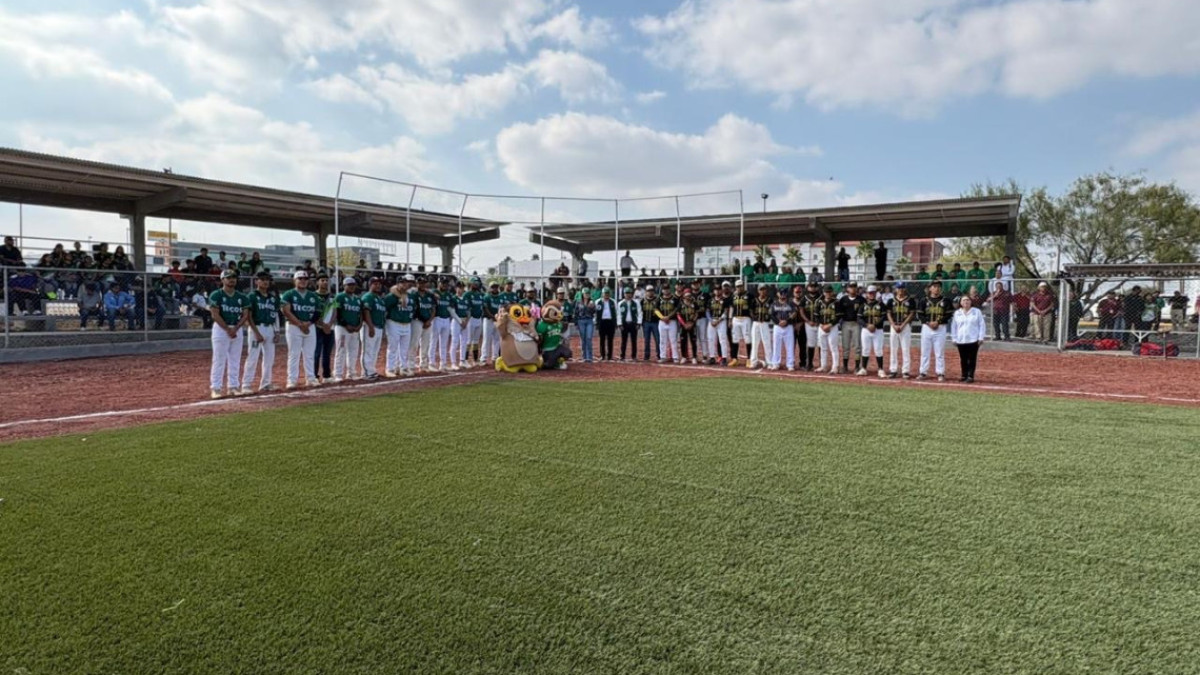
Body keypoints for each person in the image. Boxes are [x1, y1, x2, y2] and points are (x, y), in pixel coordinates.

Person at [208, 269, 251, 399]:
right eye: (228, 278)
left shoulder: (241, 296)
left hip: (236, 328)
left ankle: (233, 386)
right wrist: (227, 329)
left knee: (235, 359)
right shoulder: (217, 295)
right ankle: (216, 388)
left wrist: (236, 327)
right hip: (221, 329)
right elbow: (215, 314)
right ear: (222, 280)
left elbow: (245, 314)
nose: (232, 280)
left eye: (233, 277)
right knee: (219, 359)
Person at [242, 271, 279, 394]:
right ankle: (246, 384)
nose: (265, 281)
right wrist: (256, 332)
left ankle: (266, 383)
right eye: (262, 279)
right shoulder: (252, 296)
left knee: (269, 358)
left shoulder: (272, 298)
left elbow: (275, 315)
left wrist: (277, 331)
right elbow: (249, 316)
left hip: (270, 328)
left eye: (267, 279)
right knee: (252, 357)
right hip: (257, 327)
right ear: (256, 281)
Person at [281, 271, 320, 389]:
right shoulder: (289, 294)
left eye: (305, 278)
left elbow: (318, 312)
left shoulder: (313, 296)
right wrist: (300, 324)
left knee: (309, 354)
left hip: (309, 326)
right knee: (294, 354)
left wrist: (308, 323)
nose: (303, 280)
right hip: (294, 326)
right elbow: (286, 311)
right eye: (300, 278)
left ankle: (311, 378)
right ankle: (292, 380)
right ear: (295, 280)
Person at [918, 280, 954, 382]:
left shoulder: (946, 300)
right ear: (930, 288)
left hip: (941, 328)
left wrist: (938, 322)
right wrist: (929, 323)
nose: (936, 288)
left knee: (939, 352)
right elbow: (920, 314)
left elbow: (948, 314)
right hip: (926, 327)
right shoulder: (924, 300)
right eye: (934, 286)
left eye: (938, 286)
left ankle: (940, 372)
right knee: (925, 351)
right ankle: (923, 372)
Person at [332, 277, 365, 383]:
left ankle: (351, 372)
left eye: (353, 285)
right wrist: (346, 325)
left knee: (353, 351)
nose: (352, 287)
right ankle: (338, 373)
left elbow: (360, 314)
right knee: (341, 350)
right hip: (342, 328)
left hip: (355, 329)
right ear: (344, 286)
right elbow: (336, 312)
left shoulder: (357, 299)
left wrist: (359, 325)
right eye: (349, 285)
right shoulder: (339, 297)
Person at [383, 279, 416, 377]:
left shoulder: (410, 296)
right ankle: (390, 369)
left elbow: (413, 308)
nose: (404, 285)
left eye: (406, 283)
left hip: (407, 323)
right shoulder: (391, 296)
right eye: (402, 283)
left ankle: (403, 368)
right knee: (392, 347)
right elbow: (385, 308)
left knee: (404, 348)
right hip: (393, 322)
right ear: (397, 284)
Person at [950, 294, 986, 383]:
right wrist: (954, 338)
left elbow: (982, 325)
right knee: (963, 359)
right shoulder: (957, 313)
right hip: (961, 340)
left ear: (971, 302)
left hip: (973, 339)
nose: (966, 302)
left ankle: (970, 376)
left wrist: (981, 337)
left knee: (972, 358)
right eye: (964, 300)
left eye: (968, 300)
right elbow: (954, 327)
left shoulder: (976, 312)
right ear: (961, 303)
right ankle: (964, 375)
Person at [359, 277, 387, 380]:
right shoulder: (368, 297)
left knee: (375, 351)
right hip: (369, 326)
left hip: (378, 327)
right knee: (368, 350)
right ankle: (366, 373)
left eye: (379, 284)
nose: (378, 285)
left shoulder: (379, 299)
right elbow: (366, 312)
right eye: (375, 283)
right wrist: (370, 327)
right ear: (370, 285)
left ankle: (372, 370)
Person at [858, 285, 888, 378]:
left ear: (876, 294)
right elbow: (859, 318)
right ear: (866, 294)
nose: (871, 294)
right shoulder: (863, 305)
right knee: (865, 349)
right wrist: (867, 325)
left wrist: (874, 325)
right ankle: (863, 368)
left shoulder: (881, 304)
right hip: (865, 330)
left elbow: (884, 317)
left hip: (878, 330)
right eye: (870, 293)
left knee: (878, 350)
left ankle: (880, 369)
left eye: (873, 293)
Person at [312, 273, 335, 384]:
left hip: (329, 328)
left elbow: (335, 311)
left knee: (327, 352)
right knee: (316, 352)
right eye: (322, 280)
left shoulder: (332, 296)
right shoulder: (313, 296)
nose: (325, 282)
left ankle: (326, 375)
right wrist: (322, 324)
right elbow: (313, 313)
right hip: (317, 327)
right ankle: (314, 376)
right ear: (317, 282)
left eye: (326, 280)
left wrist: (329, 324)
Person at [410, 276, 436, 371]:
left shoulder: (430, 295)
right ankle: (411, 365)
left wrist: (429, 321)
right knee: (414, 343)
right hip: (417, 321)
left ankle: (424, 365)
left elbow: (433, 309)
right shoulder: (414, 294)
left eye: (424, 283)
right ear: (417, 284)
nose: (422, 285)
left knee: (426, 344)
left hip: (428, 321)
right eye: (420, 283)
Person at [427, 278, 453, 372]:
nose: (445, 285)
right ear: (439, 283)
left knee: (444, 343)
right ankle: (431, 363)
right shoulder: (434, 292)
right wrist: (433, 294)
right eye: (443, 283)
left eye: (446, 284)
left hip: (446, 319)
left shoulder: (448, 295)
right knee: (433, 341)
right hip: (436, 318)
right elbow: (427, 291)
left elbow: (451, 305)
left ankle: (443, 364)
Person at [814, 285, 841, 373]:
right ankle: (823, 366)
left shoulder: (837, 302)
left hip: (832, 327)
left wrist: (829, 325)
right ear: (823, 292)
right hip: (821, 327)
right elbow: (816, 316)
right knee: (823, 347)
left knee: (833, 347)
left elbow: (838, 316)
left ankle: (835, 367)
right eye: (826, 292)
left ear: (832, 292)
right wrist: (821, 325)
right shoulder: (819, 302)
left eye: (829, 292)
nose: (828, 293)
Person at [838, 281, 864, 374]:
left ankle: (857, 366)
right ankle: (845, 366)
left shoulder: (861, 299)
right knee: (845, 346)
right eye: (851, 286)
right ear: (847, 288)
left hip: (856, 324)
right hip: (846, 323)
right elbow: (839, 311)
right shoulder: (843, 299)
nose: (853, 288)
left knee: (857, 346)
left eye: (854, 286)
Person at [768, 287, 797, 371]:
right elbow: (771, 314)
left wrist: (786, 321)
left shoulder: (791, 304)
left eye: (784, 293)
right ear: (778, 294)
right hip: (777, 327)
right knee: (776, 345)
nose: (783, 295)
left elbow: (794, 313)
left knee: (790, 346)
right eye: (781, 293)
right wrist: (778, 322)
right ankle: (776, 363)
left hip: (788, 326)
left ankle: (790, 364)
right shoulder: (774, 304)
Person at [748, 283, 773, 369]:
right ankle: (753, 361)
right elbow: (751, 310)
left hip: (765, 323)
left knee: (767, 343)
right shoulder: (754, 300)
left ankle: (769, 362)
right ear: (758, 291)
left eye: (764, 289)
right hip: (756, 323)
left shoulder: (770, 300)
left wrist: (767, 317)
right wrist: (754, 317)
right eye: (761, 289)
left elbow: (772, 312)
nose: (762, 291)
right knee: (755, 342)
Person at [707, 281, 732, 366]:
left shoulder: (724, 300)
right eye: (715, 290)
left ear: (721, 291)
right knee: (711, 339)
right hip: (712, 321)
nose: (717, 291)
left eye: (719, 290)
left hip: (721, 321)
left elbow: (725, 312)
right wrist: (710, 320)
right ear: (713, 291)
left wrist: (718, 320)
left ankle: (724, 358)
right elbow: (707, 311)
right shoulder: (710, 300)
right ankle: (712, 357)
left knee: (722, 339)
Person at [480, 281, 505, 366]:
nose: (494, 288)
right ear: (490, 288)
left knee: (497, 339)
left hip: (497, 320)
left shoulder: (500, 297)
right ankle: (483, 358)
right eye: (493, 287)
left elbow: (502, 308)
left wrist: (499, 317)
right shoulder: (487, 297)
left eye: (496, 287)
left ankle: (495, 358)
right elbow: (485, 309)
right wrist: (493, 317)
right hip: (488, 320)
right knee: (487, 339)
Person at [728, 279, 752, 366]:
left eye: (740, 286)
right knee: (735, 338)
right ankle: (735, 359)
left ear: (743, 286)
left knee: (748, 338)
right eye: (737, 286)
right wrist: (730, 319)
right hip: (736, 319)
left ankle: (749, 359)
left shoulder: (749, 295)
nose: (739, 288)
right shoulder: (733, 296)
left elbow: (752, 307)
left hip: (745, 318)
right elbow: (731, 307)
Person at [797, 281, 820, 371]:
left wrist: (819, 322)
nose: (813, 288)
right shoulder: (804, 298)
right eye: (811, 286)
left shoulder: (821, 297)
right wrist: (807, 320)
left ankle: (822, 364)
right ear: (807, 287)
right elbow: (801, 311)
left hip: (819, 324)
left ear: (817, 287)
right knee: (810, 344)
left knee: (821, 344)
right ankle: (809, 363)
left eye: (814, 286)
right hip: (809, 323)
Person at [655, 285, 680, 364]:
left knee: (673, 340)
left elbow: (677, 309)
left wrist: (668, 317)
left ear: (670, 289)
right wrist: (662, 317)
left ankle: (675, 357)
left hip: (672, 321)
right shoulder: (659, 299)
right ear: (662, 290)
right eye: (664, 289)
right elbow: (656, 309)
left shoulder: (675, 299)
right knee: (662, 340)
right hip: (662, 321)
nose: (666, 290)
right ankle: (663, 356)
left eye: (667, 289)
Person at [678, 287, 701, 364]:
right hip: (683, 325)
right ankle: (684, 356)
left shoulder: (694, 304)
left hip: (692, 325)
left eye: (689, 295)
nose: (688, 297)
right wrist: (684, 324)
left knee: (693, 341)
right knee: (683, 341)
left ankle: (694, 356)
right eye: (686, 295)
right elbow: (678, 315)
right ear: (684, 295)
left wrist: (692, 322)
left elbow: (696, 313)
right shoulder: (681, 304)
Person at [618, 287, 641, 360]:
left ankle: (634, 356)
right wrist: (620, 324)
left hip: (633, 323)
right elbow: (618, 314)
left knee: (634, 341)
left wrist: (638, 323)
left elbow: (640, 313)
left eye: (629, 293)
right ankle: (622, 355)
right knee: (623, 341)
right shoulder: (620, 303)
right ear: (624, 294)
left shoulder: (636, 303)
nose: (628, 295)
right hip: (624, 324)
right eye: (626, 293)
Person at [639, 286, 660, 361]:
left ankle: (659, 355)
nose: (650, 292)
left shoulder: (658, 300)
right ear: (646, 292)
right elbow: (640, 312)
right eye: (648, 291)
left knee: (658, 339)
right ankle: (646, 355)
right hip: (646, 323)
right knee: (646, 340)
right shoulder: (642, 301)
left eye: (651, 290)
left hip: (655, 323)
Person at [575, 293, 596, 363]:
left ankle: (589, 356)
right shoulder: (578, 302)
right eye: (585, 294)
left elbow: (594, 312)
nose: (587, 295)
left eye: (588, 293)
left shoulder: (592, 302)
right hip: (581, 321)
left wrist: (592, 307)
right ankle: (584, 356)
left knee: (589, 338)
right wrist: (576, 323)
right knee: (583, 338)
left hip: (589, 320)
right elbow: (576, 312)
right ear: (583, 294)